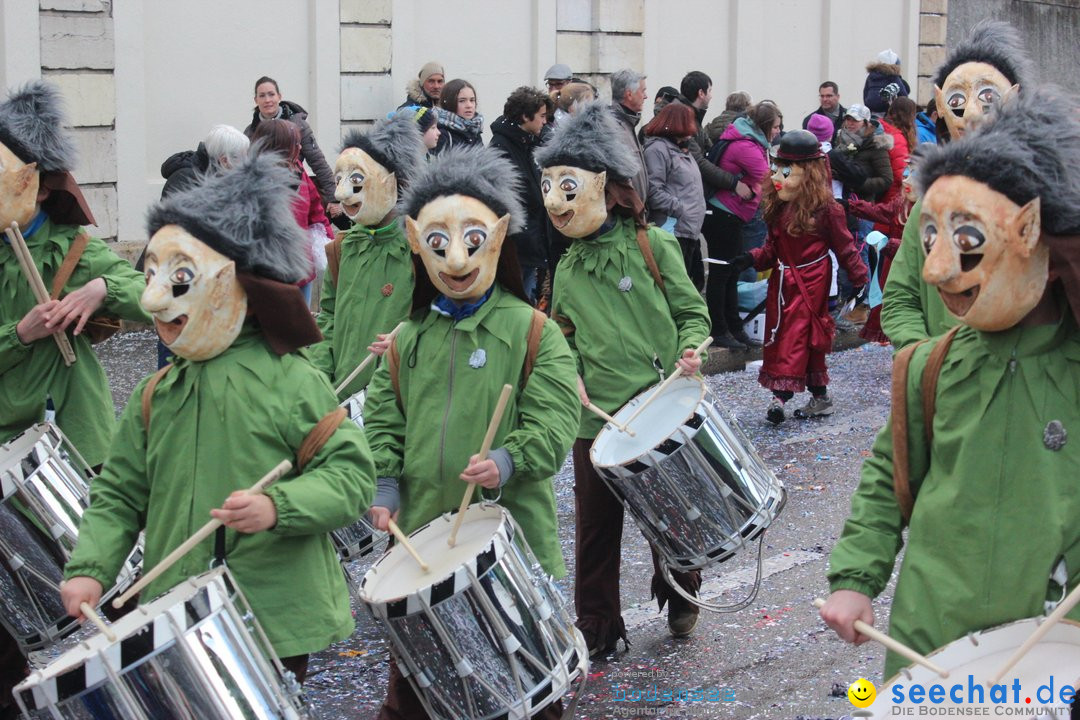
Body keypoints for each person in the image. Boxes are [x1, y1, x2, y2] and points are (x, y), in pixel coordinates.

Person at [60, 152, 376, 685]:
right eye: (152, 275)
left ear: (234, 284)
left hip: (270, 617)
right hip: (177, 613)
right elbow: (119, 494)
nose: (154, 299)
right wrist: (91, 569)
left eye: (179, 279)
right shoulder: (153, 394)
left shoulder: (291, 380)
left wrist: (279, 505)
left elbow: (351, 478)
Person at [821, 84, 1080, 683]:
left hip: (1052, 643)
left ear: (1032, 234)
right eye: (931, 236)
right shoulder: (927, 367)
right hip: (932, 636)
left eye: (964, 239)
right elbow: (888, 478)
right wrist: (856, 580)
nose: (939, 265)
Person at [365, 145, 580, 720]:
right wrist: (384, 487)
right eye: (438, 243)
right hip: (422, 548)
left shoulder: (535, 332)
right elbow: (382, 423)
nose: (456, 259)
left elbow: (555, 422)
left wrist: (508, 460)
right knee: (414, 702)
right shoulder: (407, 339)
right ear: (416, 241)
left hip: (511, 543)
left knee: (528, 696)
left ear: (501, 237)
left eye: (472, 240)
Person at [0, 80, 152, 718]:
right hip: (6, 449)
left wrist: (97, 293)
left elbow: (152, 303)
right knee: (13, 606)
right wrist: (19, 333)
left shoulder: (76, 248)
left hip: (76, 445)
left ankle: (152, 691)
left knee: (118, 590)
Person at [538, 102, 711, 653]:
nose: (556, 204)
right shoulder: (565, 268)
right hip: (597, 422)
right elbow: (560, 335)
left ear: (604, 186)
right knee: (595, 531)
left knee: (670, 514)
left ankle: (682, 591)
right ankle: (598, 625)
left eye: (568, 187)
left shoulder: (651, 245)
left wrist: (690, 348)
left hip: (657, 409)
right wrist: (571, 377)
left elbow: (692, 312)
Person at [881, 20, 1035, 350]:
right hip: (947, 380)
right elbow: (901, 297)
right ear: (939, 104)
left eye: (988, 96)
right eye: (956, 100)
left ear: (1013, 98)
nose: (971, 113)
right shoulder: (932, 201)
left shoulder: (1043, 196)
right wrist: (924, 359)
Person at [730, 130, 867, 424]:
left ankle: (780, 398)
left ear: (809, 173)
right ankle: (821, 397)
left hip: (812, 282)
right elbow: (772, 249)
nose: (777, 176)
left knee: (794, 337)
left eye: (787, 170)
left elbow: (845, 247)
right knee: (795, 339)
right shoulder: (780, 205)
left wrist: (859, 279)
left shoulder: (828, 209)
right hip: (782, 283)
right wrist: (749, 259)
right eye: (776, 168)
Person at [307, 113, 426, 397]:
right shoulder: (341, 248)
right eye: (339, 179)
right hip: (343, 393)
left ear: (390, 182)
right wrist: (320, 379)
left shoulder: (421, 250)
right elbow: (329, 319)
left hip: (396, 398)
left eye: (356, 180)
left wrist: (406, 341)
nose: (342, 193)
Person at [703, 102, 783, 349]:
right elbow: (769, 181)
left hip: (733, 216)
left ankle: (734, 328)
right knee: (721, 274)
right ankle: (719, 330)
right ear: (766, 126)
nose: (779, 131)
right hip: (723, 215)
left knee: (732, 272)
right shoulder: (746, 146)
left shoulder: (753, 141)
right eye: (777, 127)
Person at [488, 86, 554, 304]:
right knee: (518, 299)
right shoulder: (502, 146)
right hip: (518, 242)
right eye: (542, 116)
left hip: (531, 238)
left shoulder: (527, 142)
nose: (545, 122)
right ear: (526, 116)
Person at [845, 154, 920, 344]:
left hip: (915, 273)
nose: (906, 179)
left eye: (915, 173)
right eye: (906, 171)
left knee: (911, 313)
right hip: (893, 267)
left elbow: (924, 248)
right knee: (892, 309)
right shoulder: (902, 202)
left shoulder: (932, 210)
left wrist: (888, 244)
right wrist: (850, 206)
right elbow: (881, 212)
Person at [252, 119, 326, 304]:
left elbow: (316, 212)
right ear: (280, 146)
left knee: (302, 326)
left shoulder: (299, 170)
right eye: (295, 143)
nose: (300, 147)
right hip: (271, 274)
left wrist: (325, 243)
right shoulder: (254, 181)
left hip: (301, 269)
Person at [244, 76, 336, 208]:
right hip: (261, 199)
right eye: (262, 95)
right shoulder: (250, 132)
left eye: (271, 94)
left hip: (294, 194)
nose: (267, 100)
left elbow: (318, 162)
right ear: (256, 100)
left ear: (279, 96)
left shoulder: (299, 125)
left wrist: (334, 198)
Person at [643, 103, 706, 289]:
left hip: (688, 231)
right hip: (674, 231)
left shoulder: (681, 150)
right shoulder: (657, 150)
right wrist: (680, 209)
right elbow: (654, 190)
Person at [609, 68, 650, 205]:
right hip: (625, 218)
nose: (645, 96)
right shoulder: (614, 128)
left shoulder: (627, 124)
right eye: (643, 91)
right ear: (629, 95)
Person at [432, 79, 483, 153]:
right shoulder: (441, 134)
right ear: (449, 103)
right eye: (462, 101)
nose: (469, 105)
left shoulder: (474, 129)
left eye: (472, 100)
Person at [863, 49, 910, 116]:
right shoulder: (893, 77)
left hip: (871, 110)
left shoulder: (871, 76)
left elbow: (865, 93)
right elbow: (903, 95)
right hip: (887, 111)